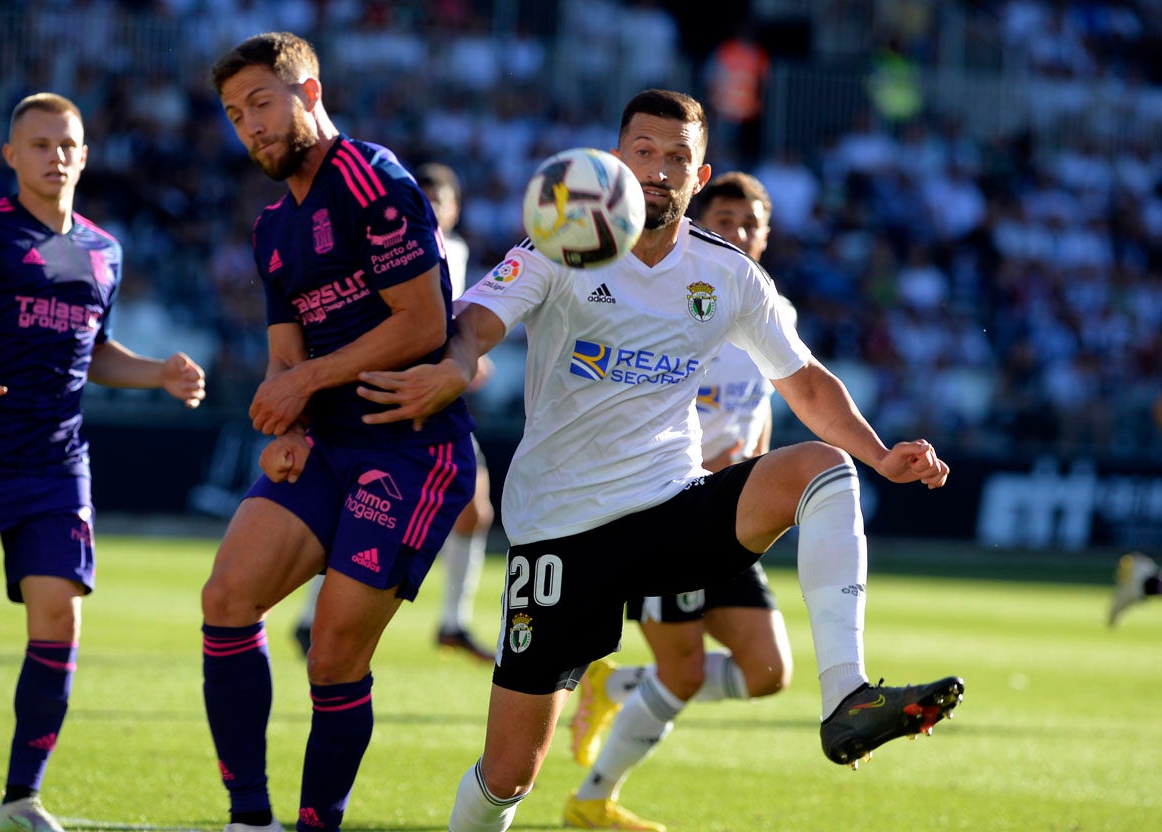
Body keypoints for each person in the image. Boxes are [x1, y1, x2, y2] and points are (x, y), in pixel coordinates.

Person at [358, 89, 964, 832]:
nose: (658, 169)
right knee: (511, 771)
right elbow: (476, 321)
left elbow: (803, 381)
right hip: (561, 531)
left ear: (698, 175)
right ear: (614, 162)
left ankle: (846, 697)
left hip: (668, 505)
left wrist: (878, 455)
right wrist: (454, 362)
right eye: (643, 152)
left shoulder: (728, 274)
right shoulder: (563, 244)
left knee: (821, 468)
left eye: (676, 156)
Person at [201, 32, 475, 832]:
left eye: (261, 103)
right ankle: (248, 819)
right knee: (226, 598)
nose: (249, 125)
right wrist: (283, 418)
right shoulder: (269, 229)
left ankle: (318, 821)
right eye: (233, 114)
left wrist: (305, 383)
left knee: (331, 655)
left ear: (309, 93)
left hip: (409, 448)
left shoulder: (370, 177)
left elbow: (423, 324)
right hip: (324, 445)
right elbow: (284, 353)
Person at [0, 92, 206, 832]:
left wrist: (158, 375)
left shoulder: (105, 249)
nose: (56, 156)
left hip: (55, 464)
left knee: (58, 622)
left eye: (67, 143)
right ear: (11, 155)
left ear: (84, 152)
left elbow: (94, 351)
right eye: (39, 144)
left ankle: (20, 798)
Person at [563, 171, 797, 832]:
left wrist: (754, 476)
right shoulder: (670, 305)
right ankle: (592, 799)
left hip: (728, 516)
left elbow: (759, 411)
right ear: (699, 221)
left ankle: (611, 685)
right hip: (669, 512)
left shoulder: (770, 309)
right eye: (723, 221)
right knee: (684, 672)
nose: (737, 234)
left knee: (767, 672)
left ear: (766, 235)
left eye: (749, 224)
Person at [292, 161, 495, 663]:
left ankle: (453, 622)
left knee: (474, 511)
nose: (427, 211)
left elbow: (453, 320)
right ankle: (308, 616)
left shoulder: (459, 251)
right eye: (420, 200)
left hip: (434, 397)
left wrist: (468, 357)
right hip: (385, 393)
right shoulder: (387, 245)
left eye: (437, 202)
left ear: (454, 209)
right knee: (357, 505)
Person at [1109, 551, 1160, 626]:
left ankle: (1113, 621)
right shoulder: (1144, 567)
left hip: (1138, 587)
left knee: (1119, 607)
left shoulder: (1143, 568)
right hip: (1138, 588)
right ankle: (1113, 622)